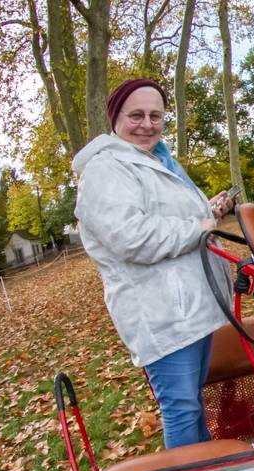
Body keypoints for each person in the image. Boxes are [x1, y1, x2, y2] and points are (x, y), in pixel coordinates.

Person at [72, 78, 235, 449]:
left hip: (192, 309)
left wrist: (209, 211)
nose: (147, 124)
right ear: (116, 118)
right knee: (181, 409)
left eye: (155, 116)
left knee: (193, 403)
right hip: (162, 315)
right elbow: (134, 238)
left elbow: (174, 217)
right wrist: (201, 226)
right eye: (136, 115)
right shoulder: (106, 170)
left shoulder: (158, 161)